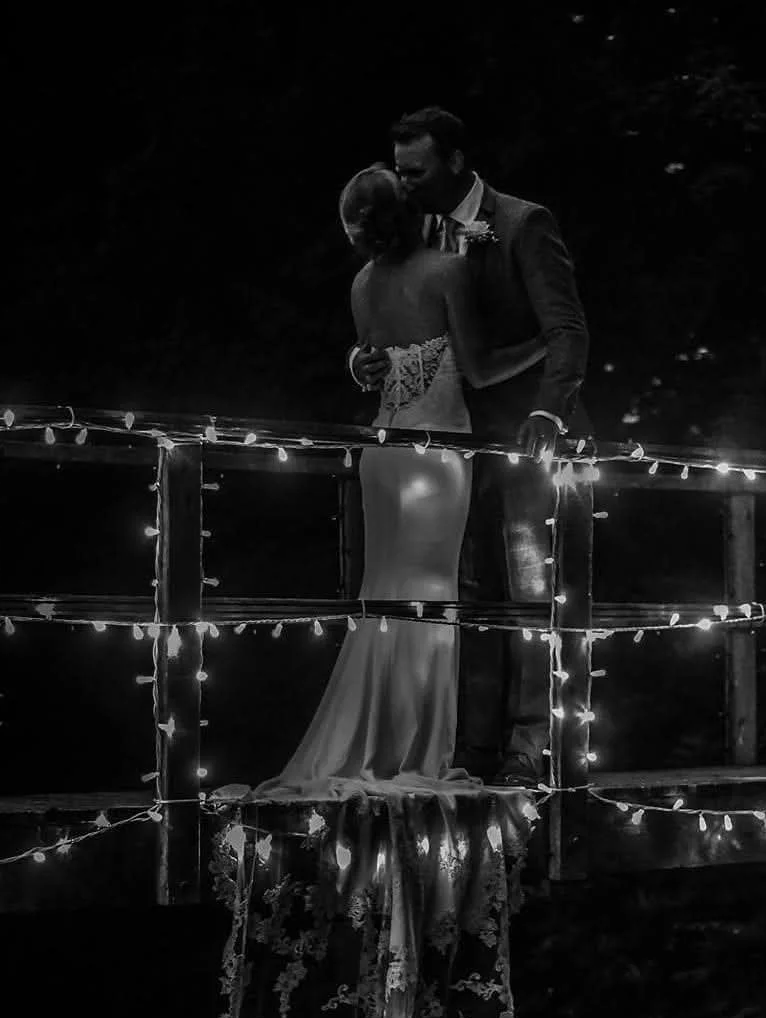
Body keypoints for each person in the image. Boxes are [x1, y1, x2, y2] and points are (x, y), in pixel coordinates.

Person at [253, 166, 546, 797]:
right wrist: (545, 344)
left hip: (382, 455)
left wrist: (361, 367)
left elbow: (372, 363)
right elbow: (482, 370)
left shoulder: (362, 283)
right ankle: (415, 747)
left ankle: (377, 740)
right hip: (434, 457)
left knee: (383, 601)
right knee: (429, 603)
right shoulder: (447, 272)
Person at [348, 107, 591, 788]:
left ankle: (531, 744)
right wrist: (361, 364)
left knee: (531, 593)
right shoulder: (410, 230)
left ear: (455, 162)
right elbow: (394, 320)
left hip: (521, 437)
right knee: (463, 597)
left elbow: (568, 332)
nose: (406, 182)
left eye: (416, 170)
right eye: (399, 171)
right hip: (445, 448)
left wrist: (548, 409)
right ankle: (469, 745)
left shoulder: (522, 223)